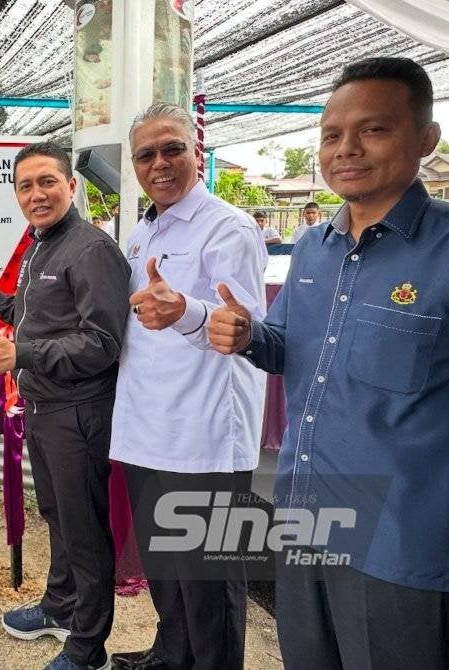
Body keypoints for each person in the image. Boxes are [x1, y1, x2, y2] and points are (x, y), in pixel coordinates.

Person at [207, 57, 449, 668]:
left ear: (427, 140)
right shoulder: (312, 247)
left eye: (374, 129)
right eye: (331, 135)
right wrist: (249, 335)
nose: (346, 149)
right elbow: (290, 347)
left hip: (401, 542)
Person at [0, 142, 130, 670]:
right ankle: (59, 607)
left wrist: (21, 353)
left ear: (71, 186)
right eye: (25, 186)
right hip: (43, 406)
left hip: (79, 413)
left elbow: (104, 342)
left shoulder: (90, 249)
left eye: (47, 182)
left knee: (83, 528)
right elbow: (35, 317)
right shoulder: (38, 246)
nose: (37, 194)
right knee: (57, 514)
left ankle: (87, 648)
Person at [108, 103, 267, 670]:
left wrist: (185, 310)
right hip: (147, 427)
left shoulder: (228, 226)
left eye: (172, 148)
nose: (160, 163)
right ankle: (172, 656)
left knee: (208, 578)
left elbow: (244, 327)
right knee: (165, 566)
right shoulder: (143, 228)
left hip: (202, 434)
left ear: (197, 153)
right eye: (146, 154)